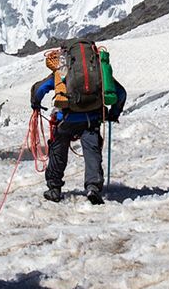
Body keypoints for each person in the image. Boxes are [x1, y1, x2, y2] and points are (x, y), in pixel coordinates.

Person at [30, 42, 126, 205]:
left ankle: (54, 188)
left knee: (58, 150)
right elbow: (121, 93)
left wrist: (35, 104)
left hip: (66, 119)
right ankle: (93, 187)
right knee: (92, 151)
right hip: (92, 119)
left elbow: (41, 89)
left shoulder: (63, 68)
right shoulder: (97, 69)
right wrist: (112, 114)